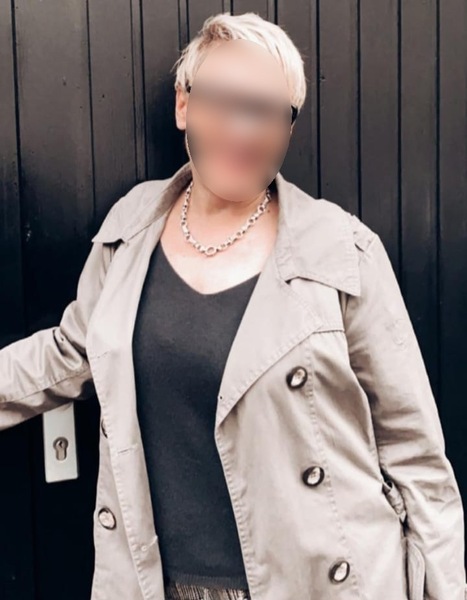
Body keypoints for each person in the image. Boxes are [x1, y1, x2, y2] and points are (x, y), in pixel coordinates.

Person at [1, 11, 466, 600]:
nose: (243, 130)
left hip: (318, 582)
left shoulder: (342, 250)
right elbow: (71, 351)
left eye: (266, 111)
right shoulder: (131, 228)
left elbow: (415, 453)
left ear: (287, 127)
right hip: (157, 582)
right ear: (184, 106)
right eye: (221, 101)